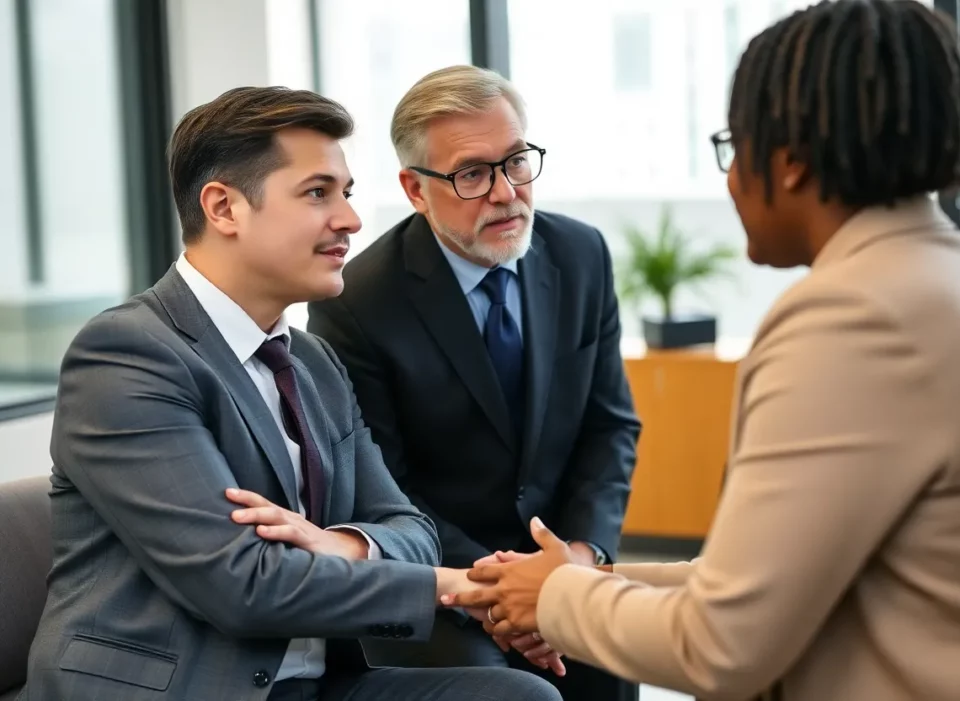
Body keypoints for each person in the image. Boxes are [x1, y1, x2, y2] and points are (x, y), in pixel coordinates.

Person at [446, 2, 960, 700]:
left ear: (786, 161)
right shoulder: (954, 281)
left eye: (733, 146)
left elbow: (720, 642)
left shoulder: (856, 317)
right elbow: (768, 582)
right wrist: (578, 582)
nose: (730, 177)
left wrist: (559, 596)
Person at [20, 86, 560, 701]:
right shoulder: (127, 354)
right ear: (224, 208)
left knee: (520, 696)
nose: (351, 220)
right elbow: (244, 586)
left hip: (314, 684)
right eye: (317, 193)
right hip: (183, 688)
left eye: (347, 194)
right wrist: (461, 586)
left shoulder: (311, 360)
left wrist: (345, 543)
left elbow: (410, 527)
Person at [306, 65, 641, 701]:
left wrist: (575, 560)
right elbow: (384, 487)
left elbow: (609, 426)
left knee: (616, 664)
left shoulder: (581, 256)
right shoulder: (358, 304)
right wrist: (499, 590)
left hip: (562, 561)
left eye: (516, 161)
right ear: (414, 188)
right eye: (471, 174)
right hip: (445, 582)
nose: (505, 193)